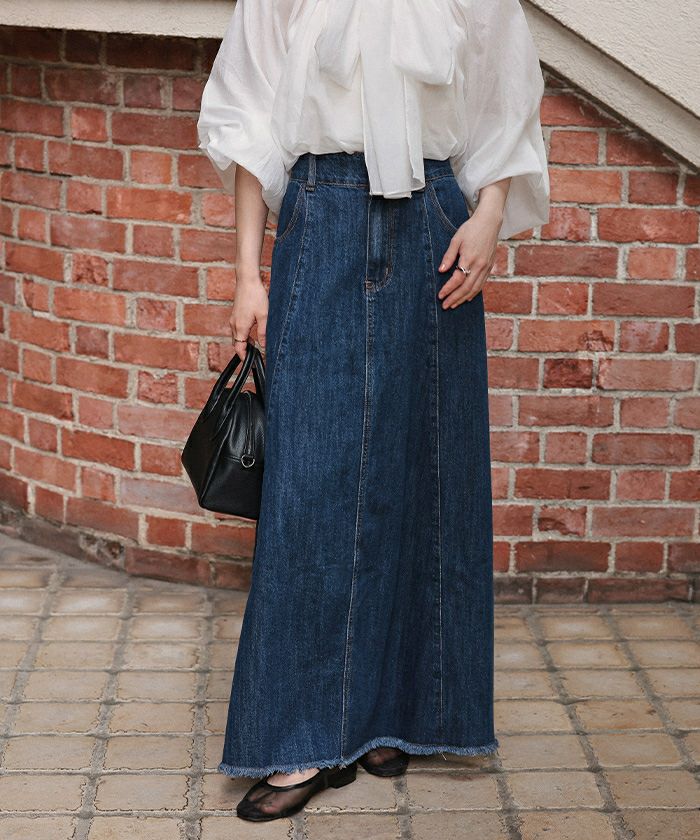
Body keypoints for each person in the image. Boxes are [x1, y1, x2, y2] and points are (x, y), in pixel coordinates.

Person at [197, 0, 549, 823]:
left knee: (425, 472)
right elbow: (246, 116)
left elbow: (506, 97)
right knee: (311, 488)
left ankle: (400, 714)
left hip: (436, 224)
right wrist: (247, 276)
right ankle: (304, 735)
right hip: (321, 216)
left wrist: (490, 215)